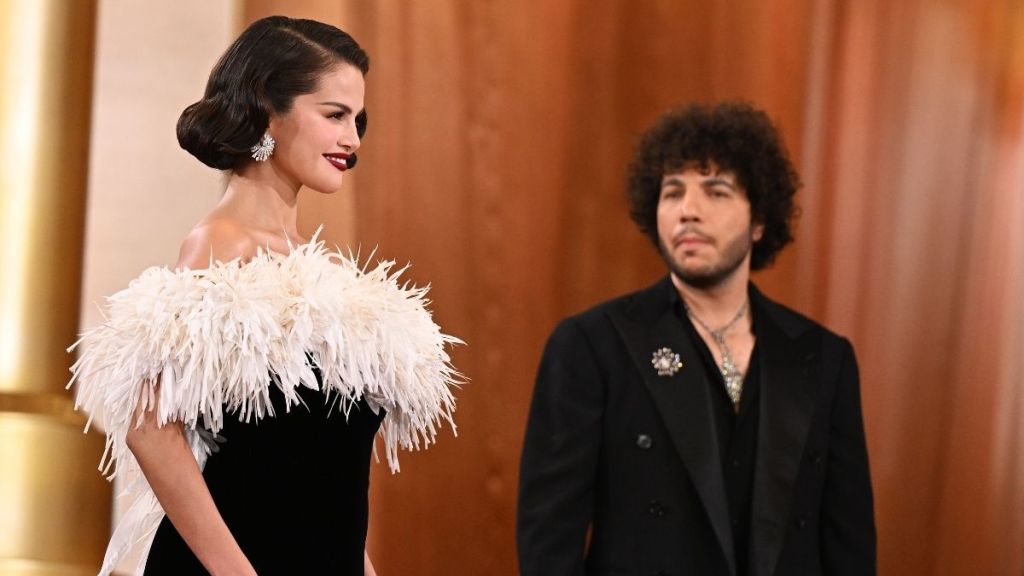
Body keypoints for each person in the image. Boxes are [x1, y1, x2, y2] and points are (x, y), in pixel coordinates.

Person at [69, 16, 461, 576]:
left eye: (358, 120)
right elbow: (150, 430)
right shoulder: (220, 245)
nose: (353, 140)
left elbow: (323, 477)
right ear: (267, 110)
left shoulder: (322, 272)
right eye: (335, 115)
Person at [517, 102, 875, 576]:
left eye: (716, 191)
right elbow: (548, 544)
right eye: (672, 192)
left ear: (759, 220)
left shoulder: (824, 358)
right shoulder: (591, 345)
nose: (688, 211)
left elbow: (850, 546)